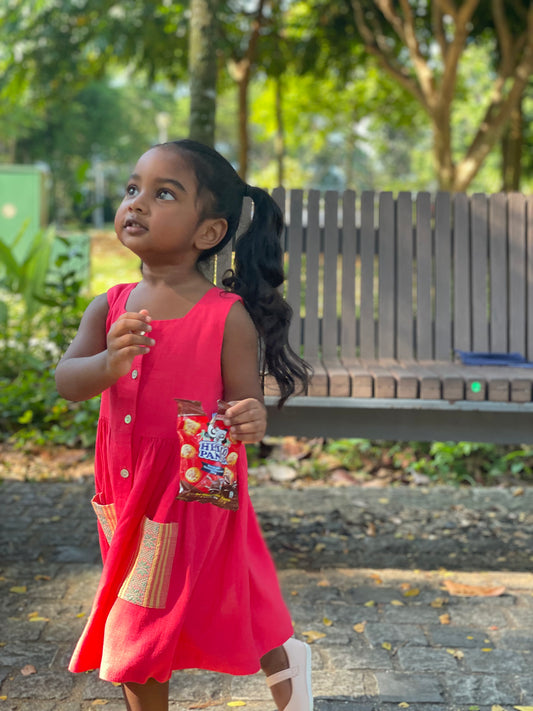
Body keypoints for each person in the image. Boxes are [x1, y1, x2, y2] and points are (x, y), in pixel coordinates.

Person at [55, 139, 313, 711]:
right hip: (125, 481)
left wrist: (249, 418)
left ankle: (284, 670)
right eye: (132, 189)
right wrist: (108, 364)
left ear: (207, 232)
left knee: (142, 608)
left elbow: (244, 408)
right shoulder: (111, 306)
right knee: (237, 587)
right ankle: (288, 664)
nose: (138, 203)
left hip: (196, 475)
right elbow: (69, 382)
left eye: (163, 193)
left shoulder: (227, 316)